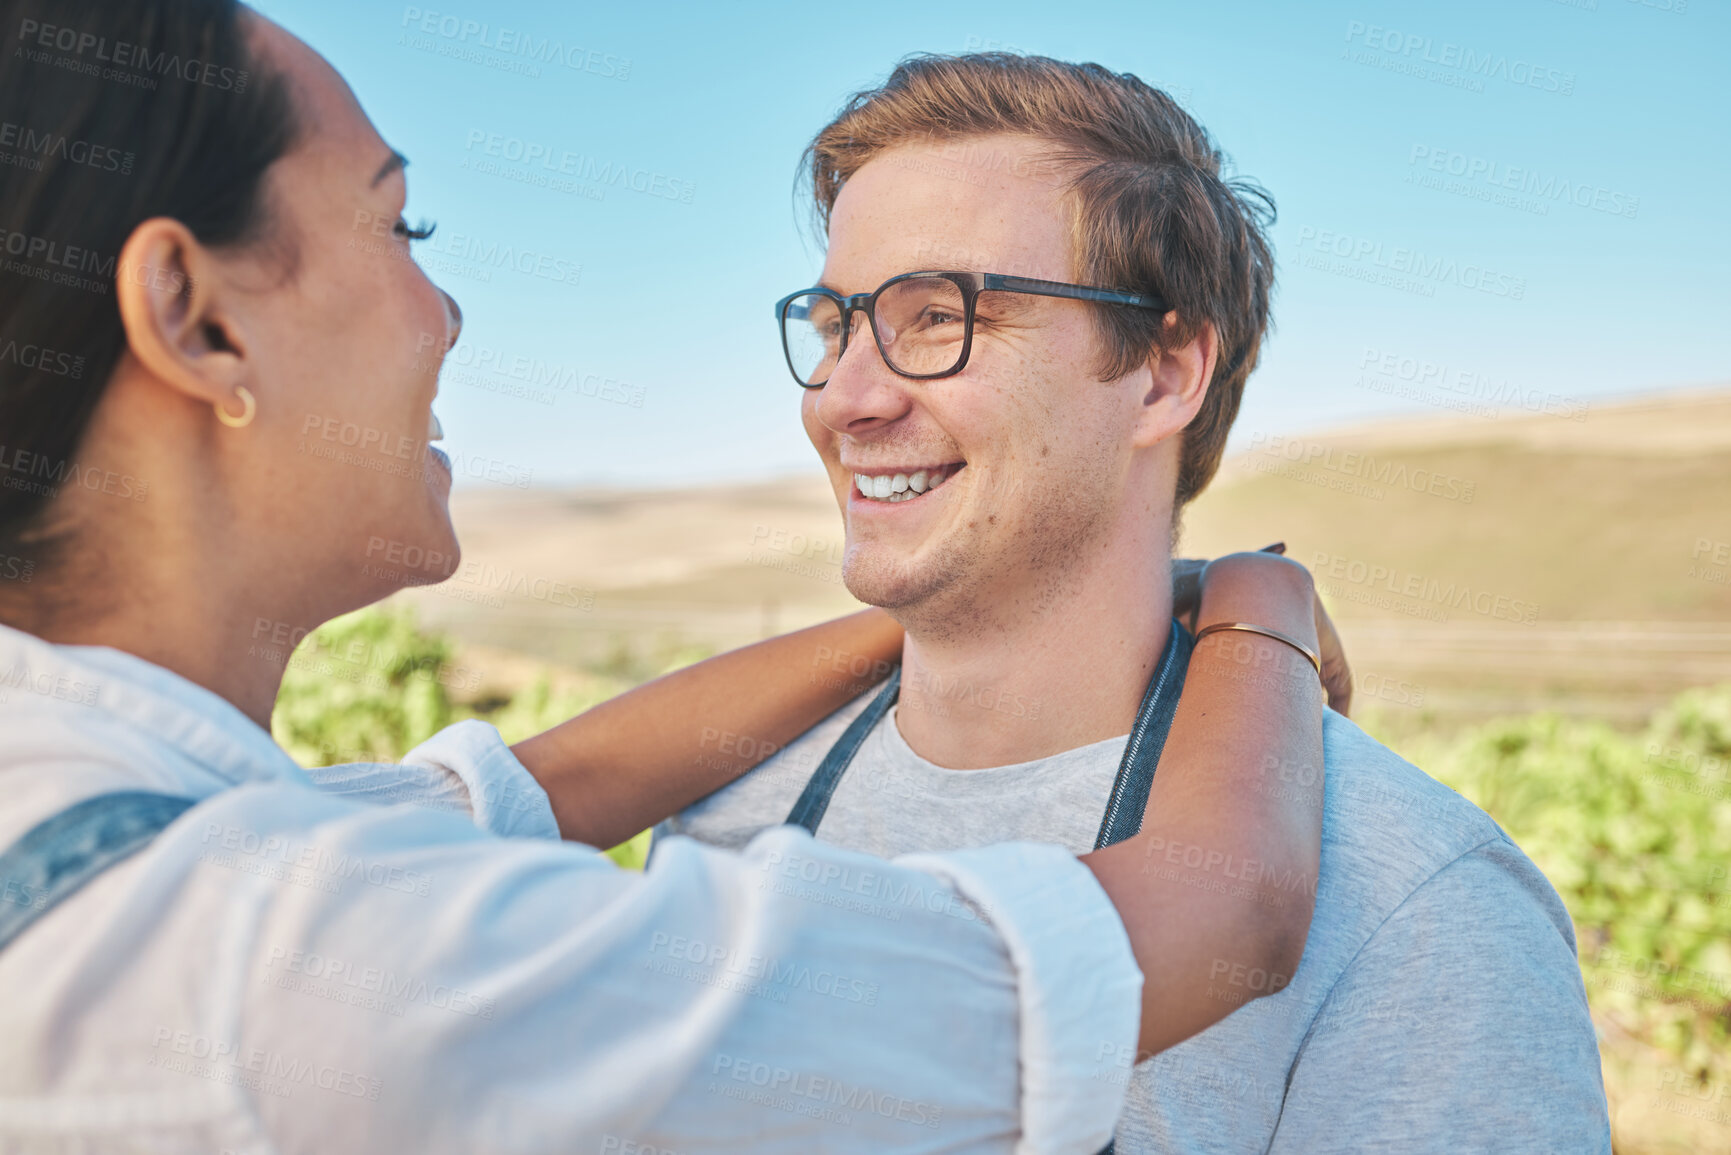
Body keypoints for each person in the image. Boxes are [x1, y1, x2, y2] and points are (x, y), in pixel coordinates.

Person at [0, 4, 1333, 1151]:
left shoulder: (92, 812)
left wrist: (935, 605)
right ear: (196, 315)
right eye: (403, 226)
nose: (444, 312)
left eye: (936, 318)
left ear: (1167, 368)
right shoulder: (316, 956)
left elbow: (537, 788)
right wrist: (1255, 605)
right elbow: (1223, 907)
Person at [666, 53, 1614, 1152]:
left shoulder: (1419, 915)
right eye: (836, 325)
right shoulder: (722, 809)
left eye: (939, 318)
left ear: (1165, 376)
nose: (844, 398)